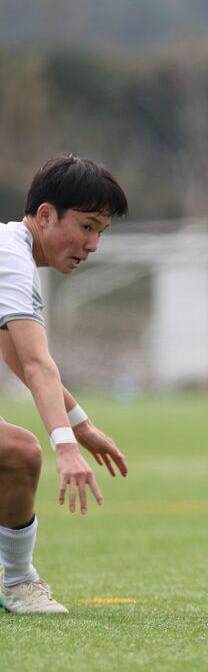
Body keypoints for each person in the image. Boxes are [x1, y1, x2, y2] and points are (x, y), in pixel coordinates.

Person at [0, 155, 129, 614]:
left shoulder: (11, 255)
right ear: (47, 215)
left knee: (13, 453)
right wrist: (65, 445)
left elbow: (19, 357)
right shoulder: (11, 260)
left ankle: (15, 581)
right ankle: (16, 582)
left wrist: (82, 427)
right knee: (21, 451)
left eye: (101, 232)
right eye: (87, 226)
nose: (93, 244)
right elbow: (34, 364)